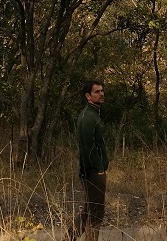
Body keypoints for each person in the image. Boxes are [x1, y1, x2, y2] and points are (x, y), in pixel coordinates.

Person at [70, 79, 108, 241]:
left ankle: (68, 238)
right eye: (96, 92)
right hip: (92, 172)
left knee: (89, 209)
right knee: (96, 213)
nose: (101, 94)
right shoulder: (88, 117)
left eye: (102, 91)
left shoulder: (93, 114)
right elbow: (89, 147)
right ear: (88, 96)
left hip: (94, 170)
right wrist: (99, 169)